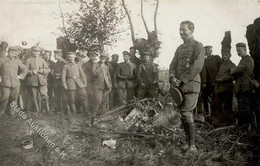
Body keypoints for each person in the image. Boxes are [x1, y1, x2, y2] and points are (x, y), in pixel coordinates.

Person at [169, 21, 205, 154]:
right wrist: (172, 77)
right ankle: (187, 143)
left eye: (184, 30)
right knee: (183, 115)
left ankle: (192, 146)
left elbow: (197, 66)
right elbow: (172, 65)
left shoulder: (198, 46)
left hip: (191, 85)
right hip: (179, 87)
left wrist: (182, 80)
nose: (181, 32)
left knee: (186, 113)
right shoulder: (179, 48)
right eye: (180, 30)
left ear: (191, 30)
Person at [230, 43, 254, 127]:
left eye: (239, 50)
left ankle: (247, 127)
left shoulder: (247, 59)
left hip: (245, 87)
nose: (238, 52)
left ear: (244, 49)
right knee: (242, 107)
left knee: (245, 108)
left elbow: (235, 71)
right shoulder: (243, 60)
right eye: (237, 51)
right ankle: (244, 127)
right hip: (241, 88)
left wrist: (233, 70)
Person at [0, 46, 28, 117]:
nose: (14, 55)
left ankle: (12, 113)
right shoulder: (2, 60)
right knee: (4, 98)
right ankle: (1, 112)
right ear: (8, 52)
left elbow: (25, 69)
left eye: (15, 54)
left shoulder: (17, 61)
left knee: (14, 99)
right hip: (5, 83)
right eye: (12, 53)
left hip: (16, 83)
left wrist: (21, 76)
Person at [211, 49, 236, 126]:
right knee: (216, 105)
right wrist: (216, 79)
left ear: (230, 56)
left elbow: (233, 76)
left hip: (227, 89)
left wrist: (222, 79)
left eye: (226, 55)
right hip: (219, 89)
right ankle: (220, 121)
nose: (224, 57)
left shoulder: (232, 65)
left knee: (227, 106)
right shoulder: (222, 65)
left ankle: (229, 122)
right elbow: (218, 75)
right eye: (223, 55)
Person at [61, 52, 89, 117]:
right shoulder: (65, 66)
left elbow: (83, 75)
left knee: (84, 96)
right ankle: (74, 113)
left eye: (72, 57)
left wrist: (85, 82)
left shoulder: (77, 65)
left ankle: (86, 112)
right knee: (72, 99)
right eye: (70, 57)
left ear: (74, 57)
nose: (71, 58)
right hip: (70, 83)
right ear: (68, 57)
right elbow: (63, 76)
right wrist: (64, 84)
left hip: (79, 83)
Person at [24, 46, 50, 114]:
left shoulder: (42, 60)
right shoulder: (28, 60)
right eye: (35, 51)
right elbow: (25, 71)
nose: (36, 53)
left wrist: (42, 71)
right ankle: (37, 110)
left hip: (41, 81)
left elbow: (47, 70)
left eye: (38, 51)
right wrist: (32, 72)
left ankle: (47, 110)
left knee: (44, 94)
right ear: (32, 51)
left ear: (39, 52)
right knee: (34, 95)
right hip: (32, 81)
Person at [202, 46, 222, 115]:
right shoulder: (204, 61)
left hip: (216, 82)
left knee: (215, 99)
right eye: (206, 49)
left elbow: (221, 68)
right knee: (204, 97)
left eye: (209, 49)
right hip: (207, 83)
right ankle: (207, 113)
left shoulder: (216, 58)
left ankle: (216, 114)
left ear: (211, 50)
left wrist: (218, 78)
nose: (207, 50)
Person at [92, 53, 112, 119]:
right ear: (100, 58)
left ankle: (103, 115)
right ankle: (94, 114)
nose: (103, 60)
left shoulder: (106, 66)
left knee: (104, 101)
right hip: (98, 86)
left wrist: (110, 85)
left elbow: (108, 76)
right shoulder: (95, 64)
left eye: (104, 59)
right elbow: (94, 73)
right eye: (102, 59)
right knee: (98, 100)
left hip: (106, 86)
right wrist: (100, 67)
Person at [51, 49, 70, 115]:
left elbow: (67, 73)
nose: (54, 57)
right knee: (57, 96)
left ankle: (67, 110)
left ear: (59, 55)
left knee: (64, 97)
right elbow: (52, 72)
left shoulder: (65, 63)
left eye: (55, 55)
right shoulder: (55, 63)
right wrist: (55, 74)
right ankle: (59, 110)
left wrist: (59, 75)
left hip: (62, 82)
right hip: (56, 83)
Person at [82, 47, 99, 114]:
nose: (93, 57)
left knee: (95, 96)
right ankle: (87, 111)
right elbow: (83, 73)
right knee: (88, 96)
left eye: (94, 56)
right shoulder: (86, 64)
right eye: (91, 56)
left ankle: (93, 111)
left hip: (96, 82)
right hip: (89, 82)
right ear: (90, 56)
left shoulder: (97, 64)